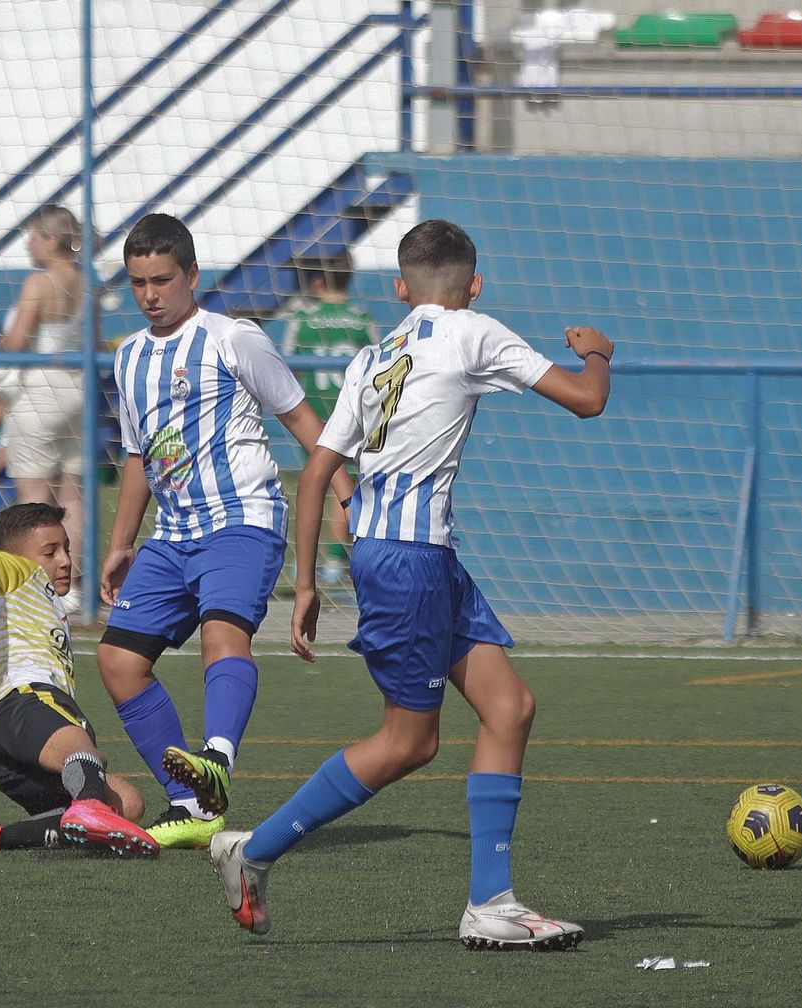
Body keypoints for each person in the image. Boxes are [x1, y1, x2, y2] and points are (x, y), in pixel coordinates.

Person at [209, 220, 611, 949]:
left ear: (400, 288)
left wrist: (305, 585)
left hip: (413, 558)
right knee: (408, 742)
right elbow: (586, 400)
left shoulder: (373, 357)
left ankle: (492, 902)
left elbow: (317, 476)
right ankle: (255, 849)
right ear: (474, 284)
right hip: (410, 562)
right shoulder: (474, 331)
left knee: (510, 707)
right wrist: (598, 355)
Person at [97, 214, 356, 850]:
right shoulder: (128, 357)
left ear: (192, 276)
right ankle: (191, 804)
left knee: (222, 637)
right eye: (138, 283)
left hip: (242, 518)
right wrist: (122, 542)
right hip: (172, 531)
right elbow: (138, 456)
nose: (151, 294)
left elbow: (302, 420)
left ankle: (215, 760)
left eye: (162, 279)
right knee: (118, 661)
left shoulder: (235, 339)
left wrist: (345, 494)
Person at [0, 437, 155, 857]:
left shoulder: (44, 600)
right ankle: (86, 803)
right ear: (14, 558)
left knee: (128, 804)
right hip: (18, 701)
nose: (65, 560)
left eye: (66, 548)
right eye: (50, 552)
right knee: (82, 751)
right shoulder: (14, 575)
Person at [0, 205, 87, 562]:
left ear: (51, 239)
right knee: (72, 496)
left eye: (33, 237)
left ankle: (37, 587)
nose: (28, 244)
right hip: (79, 393)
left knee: (33, 502)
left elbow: (16, 341)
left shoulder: (39, 283)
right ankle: (72, 587)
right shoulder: (89, 286)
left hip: (43, 392)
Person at [283, 254, 378, 586]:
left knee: (315, 482)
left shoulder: (303, 318)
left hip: (315, 414)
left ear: (318, 282)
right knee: (347, 485)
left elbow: (289, 368)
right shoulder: (361, 319)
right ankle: (339, 560)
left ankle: (306, 562)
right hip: (351, 416)